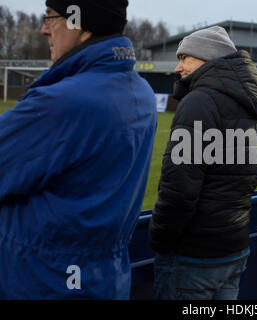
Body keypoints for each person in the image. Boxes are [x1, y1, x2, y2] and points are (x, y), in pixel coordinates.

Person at [0, 0, 157, 299]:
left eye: (51, 18)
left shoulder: (63, 103)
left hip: (43, 282)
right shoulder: (141, 92)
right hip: (105, 280)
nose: (44, 29)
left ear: (82, 26)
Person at [148, 26, 257, 300]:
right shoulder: (253, 106)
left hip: (195, 256)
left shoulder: (198, 102)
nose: (178, 68)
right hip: (235, 248)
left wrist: (159, 238)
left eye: (185, 58)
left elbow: (180, 190)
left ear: (208, 59)